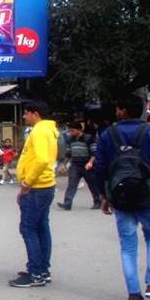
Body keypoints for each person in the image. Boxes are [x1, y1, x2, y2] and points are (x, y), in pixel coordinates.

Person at [93, 95, 150, 300]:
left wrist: (103, 196)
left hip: (120, 196)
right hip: (147, 195)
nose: (116, 112)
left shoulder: (107, 135)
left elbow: (100, 168)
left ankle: (133, 294)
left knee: (128, 245)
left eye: (118, 108)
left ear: (123, 111)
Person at [9, 101, 59, 288]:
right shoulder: (49, 130)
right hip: (45, 185)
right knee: (41, 227)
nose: (24, 117)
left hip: (37, 186)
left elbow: (42, 159)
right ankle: (42, 269)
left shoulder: (39, 131)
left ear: (34, 114)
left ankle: (36, 272)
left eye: (26, 113)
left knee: (28, 228)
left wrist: (26, 183)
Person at [57, 122, 101, 210]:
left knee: (92, 184)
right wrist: (63, 165)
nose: (70, 132)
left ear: (79, 130)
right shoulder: (70, 139)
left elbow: (94, 153)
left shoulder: (89, 138)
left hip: (87, 165)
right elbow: (69, 154)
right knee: (72, 184)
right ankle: (67, 203)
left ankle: (97, 202)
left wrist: (90, 163)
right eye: (69, 131)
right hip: (75, 165)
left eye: (72, 130)